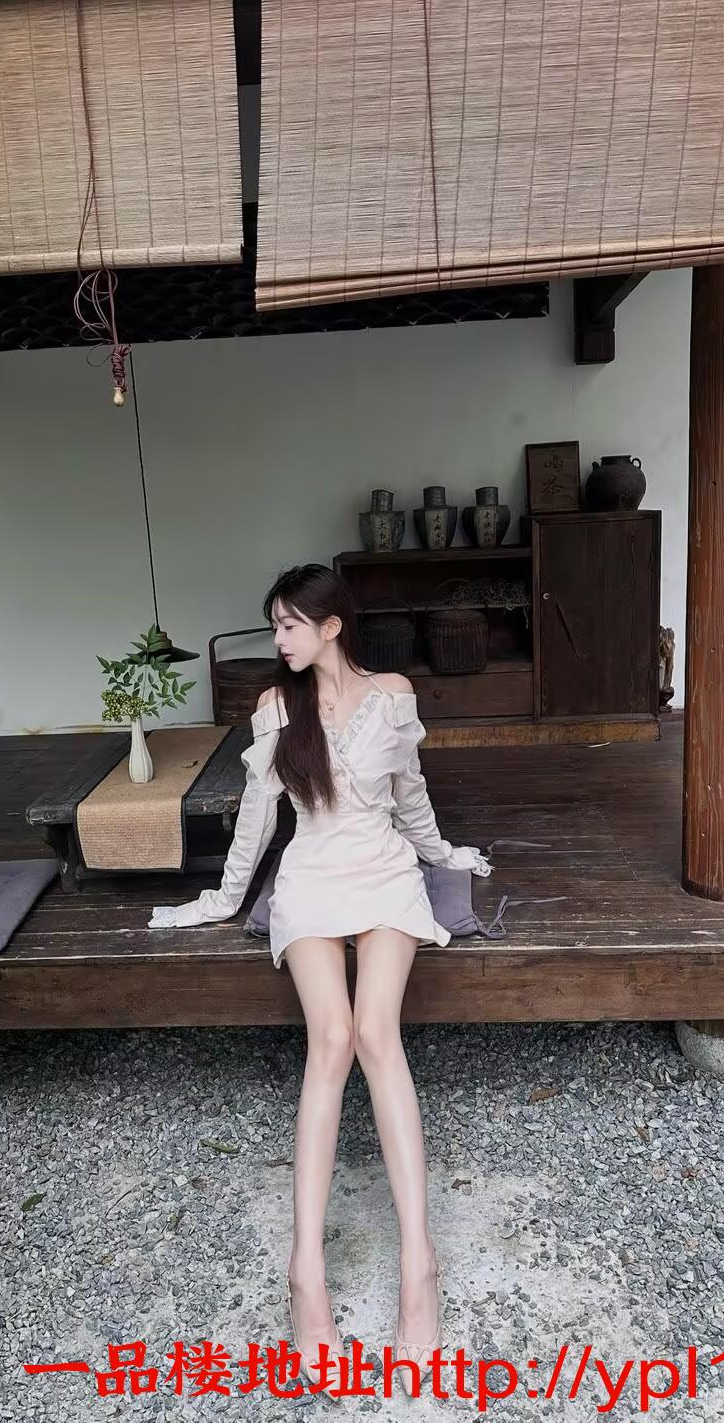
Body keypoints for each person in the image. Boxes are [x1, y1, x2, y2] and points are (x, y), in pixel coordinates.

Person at [157, 563, 493, 1401]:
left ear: (331, 626)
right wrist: (224, 900)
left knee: (377, 1032)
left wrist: (444, 854)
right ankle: (305, 1273)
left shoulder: (393, 695)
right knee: (331, 1039)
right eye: (275, 625)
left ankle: (419, 1265)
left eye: (288, 625)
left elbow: (410, 797)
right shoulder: (277, 708)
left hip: (384, 873)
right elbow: (256, 820)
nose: (278, 640)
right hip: (309, 879)